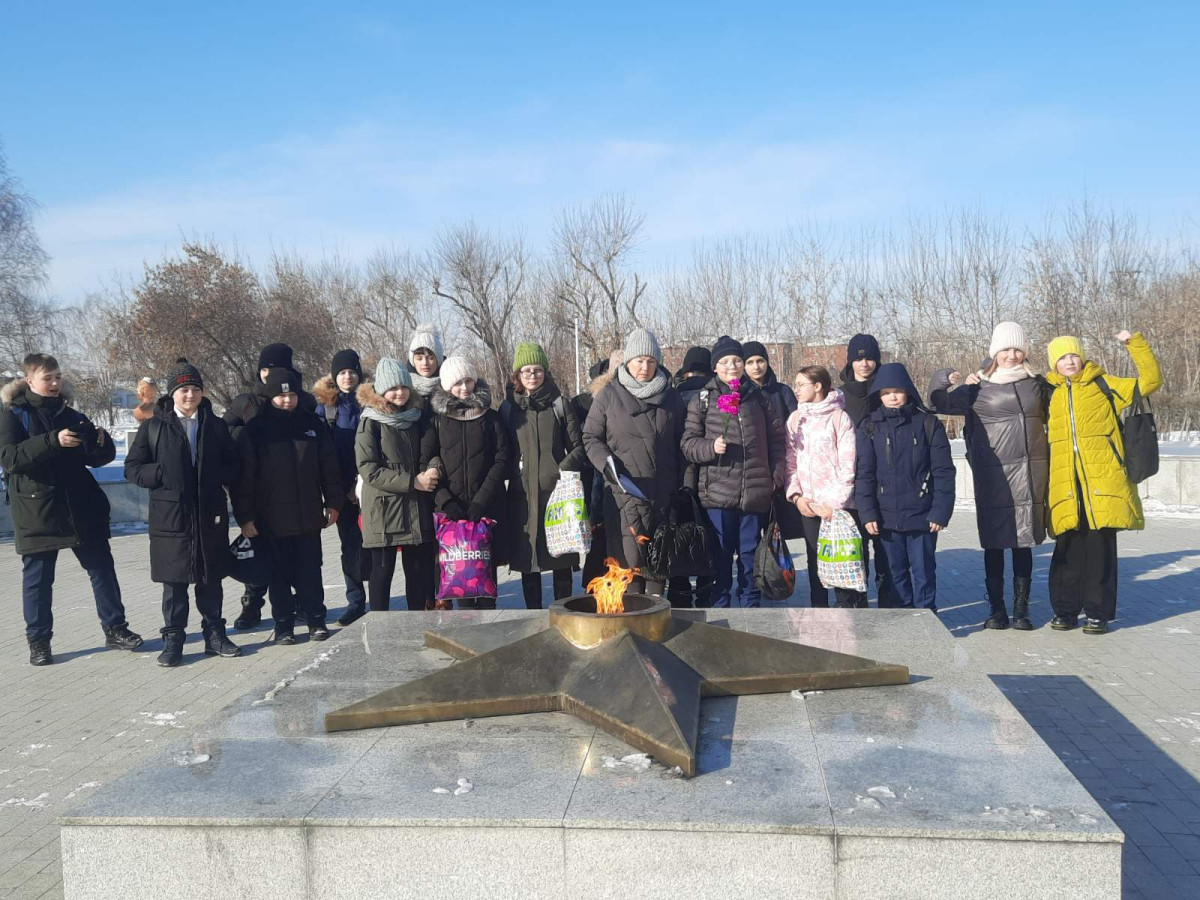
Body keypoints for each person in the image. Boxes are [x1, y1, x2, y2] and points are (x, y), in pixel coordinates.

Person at [1, 353, 144, 666]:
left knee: (101, 569)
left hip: (80, 506)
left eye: (56, 376)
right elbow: (10, 458)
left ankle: (116, 628)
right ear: (29, 381)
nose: (54, 383)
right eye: (47, 378)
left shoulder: (70, 413)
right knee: (38, 580)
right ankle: (39, 641)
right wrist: (52, 440)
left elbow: (93, 458)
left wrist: (102, 444)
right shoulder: (13, 414)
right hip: (37, 509)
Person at [929, 322, 1050, 630]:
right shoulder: (977, 387)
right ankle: (997, 610)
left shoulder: (1037, 383)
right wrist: (943, 378)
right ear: (995, 352)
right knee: (995, 543)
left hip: (1028, 472)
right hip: (992, 473)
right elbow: (939, 403)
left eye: (1017, 349)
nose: (1011, 355)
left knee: (1023, 542)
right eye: (1006, 349)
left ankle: (1021, 610)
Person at [124, 359, 242, 666]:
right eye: (184, 389)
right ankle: (174, 638)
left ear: (202, 392)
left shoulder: (215, 426)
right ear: (173, 393)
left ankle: (215, 634)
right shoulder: (154, 426)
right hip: (170, 517)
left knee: (210, 578)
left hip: (208, 514)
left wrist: (217, 474)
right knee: (174, 582)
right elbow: (133, 468)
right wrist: (161, 473)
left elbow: (235, 465)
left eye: (195, 389)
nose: (189, 395)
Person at [1044, 330, 1161, 634]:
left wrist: (1134, 343)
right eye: (1062, 357)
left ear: (1082, 357)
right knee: (1067, 551)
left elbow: (1150, 382)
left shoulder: (1104, 384)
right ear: (1054, 364)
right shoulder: (1047, 392)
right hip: (1064, 485)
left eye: (1073, 355)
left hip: (1104, 481)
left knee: (1100, 552)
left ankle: (1098, 613)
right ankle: (1065, 611)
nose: (1069, 361)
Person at [233, 367, 342, 643]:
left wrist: (333, 503)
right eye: (280, 396)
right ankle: (283, 625)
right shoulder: (256, 430)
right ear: (270, 397)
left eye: (291, 395)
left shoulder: (312, 425)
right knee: (278, 575)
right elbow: (244, 477)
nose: (286, 401)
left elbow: (328, 467)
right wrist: (245, 517)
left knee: (310, 571)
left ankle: (316, 620)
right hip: (271, 518)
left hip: (307, 515)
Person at [681, 336, 786, 608]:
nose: (732, 366)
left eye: (736, 361)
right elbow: (688, 444)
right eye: (725, 361)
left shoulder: (759, 398)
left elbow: (777, 441)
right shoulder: (703, 399)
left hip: (754, 492)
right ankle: (721, 606)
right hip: (717, 493)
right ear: (715, 367)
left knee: (751, 555)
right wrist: (710, 447)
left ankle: (751, 606)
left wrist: (774, 477)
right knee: (721, 555)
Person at [583, 329, 687, 598]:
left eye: (651, 361)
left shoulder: (671, 397)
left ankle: (655, 627)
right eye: (639, 360)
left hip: (664, 495)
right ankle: (630, 626)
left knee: (658, 566)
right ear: (628, 361)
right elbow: (591, 437)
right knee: (628, 569)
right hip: (623, 496)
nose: (645, 367)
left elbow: (682, 444)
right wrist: (606, 464)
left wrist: (684, 487)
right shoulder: (609, 395)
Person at [224, 342, 319, 630]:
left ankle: (304, 608)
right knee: (264, 560)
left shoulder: (302, 402)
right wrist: (242, 435)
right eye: (265, 368)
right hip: (262, 490)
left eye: (276, 369)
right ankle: (252, 606)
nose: (269, 374)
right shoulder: (247, 401)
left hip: (298, 496)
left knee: (300, 563)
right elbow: (224, 431)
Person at [854, 363, 955, 612]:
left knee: (923, 573)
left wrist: (940, 512)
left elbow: (943, 472)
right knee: (894, 574)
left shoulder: (928, 424)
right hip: (885, 518)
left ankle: (926, 619)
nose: (893, 397)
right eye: (886, 392)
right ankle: (902, 624)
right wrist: (867, 513)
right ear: (878, 395)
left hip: (923, 516)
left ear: (908, 391)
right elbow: (864, 475)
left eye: (897, 391)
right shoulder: (869, 427)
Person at [501, 342, 587, 608]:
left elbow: (579, 447)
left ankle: (564, 612)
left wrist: (561, 468)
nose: (532, 375)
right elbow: (502, 450)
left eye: (537, 370)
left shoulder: (560, 405)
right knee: (530, 562)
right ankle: (532, 615)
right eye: (526, 370)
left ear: (545, 372)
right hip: (523, 497)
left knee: (560, 558)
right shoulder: (509, 408)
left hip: (556, 495)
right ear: (517, 374)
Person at [422, 356, 510, 610]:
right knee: (458, 576)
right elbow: (426, 462)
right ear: (448, 386)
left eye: (468, 381)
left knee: (484, 575)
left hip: (485, 508)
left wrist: (482, 500)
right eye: (457, 383)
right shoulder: (437, 420)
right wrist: (445, 501)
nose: (464, 388)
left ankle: (487, 626)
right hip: (451, 511)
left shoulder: (490, 418)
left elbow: (501, 459)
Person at [356, 359, 441, 611]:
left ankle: (415, 624)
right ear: (382, 390)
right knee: (381, 575)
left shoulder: (417, 417)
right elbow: (368, 468)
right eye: (393, 388)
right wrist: (412, 482)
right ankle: (379, 627)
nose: (399, 393)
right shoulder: (370, 422)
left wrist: (434, 467)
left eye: (404, 387)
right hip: (384, 511)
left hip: (416, 508)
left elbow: (432, 450)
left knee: (417, 574)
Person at [784, 366, 861, 608]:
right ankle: (819, 613)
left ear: (817, 386)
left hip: (836, 508)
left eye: (801, 384)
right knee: (815, 562)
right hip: (808, 505)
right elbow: (790, 463)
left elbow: (849, 465)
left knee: (841, 562)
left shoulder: (839, 418)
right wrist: (797, 497)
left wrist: (833, 506)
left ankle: (847, 614)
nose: (796, 390)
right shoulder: (796, 418)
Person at [838, 333, 896, 607]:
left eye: (870, 358)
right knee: (854, 552)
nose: (865, 364)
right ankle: (855, 605)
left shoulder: (888, 390)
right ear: (851, 361)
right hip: (849, 485)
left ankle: (888, 605)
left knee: (885, 552)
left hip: (884, 484)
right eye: (859, 358)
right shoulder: (839, 396)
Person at [313, 349, 368, 626]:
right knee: (350, 547)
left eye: (352, 371)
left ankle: (379, 599)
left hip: (371, 486)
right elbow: (322, 454)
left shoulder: (371, 402)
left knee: (377, 548)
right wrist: (340, 491)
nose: (347, 376)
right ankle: (356, 602)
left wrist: (361, 483)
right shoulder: (325, 408)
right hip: (341, 490)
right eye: (342, 372)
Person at [744, 340, 804, 548]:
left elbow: (795, 426)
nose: (756, 366)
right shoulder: (741, 394)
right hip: (753, 467)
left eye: (760, 361)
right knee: (752, 536)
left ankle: (780, 577)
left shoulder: (782, 391)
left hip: (780, 462)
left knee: (780, 535)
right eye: (750, 362)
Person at [668, 346, 714, 608]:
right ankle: (707, 595)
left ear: (684, 370)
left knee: (681, 539)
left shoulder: (673, 396)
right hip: (710, 477)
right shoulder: (715, 396)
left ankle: (679, 594)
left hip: (677, 479)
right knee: (707, 540)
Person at [408, 324, 444, 417]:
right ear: (413, 361)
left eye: (431, 358)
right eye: (419, 358)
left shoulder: (451, 387)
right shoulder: (403, 390)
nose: (425, 363)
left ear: (438, 360)